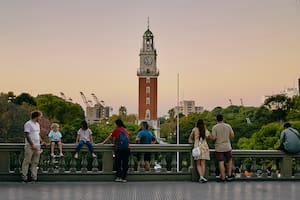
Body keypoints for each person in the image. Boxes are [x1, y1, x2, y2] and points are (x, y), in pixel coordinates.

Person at [21, 110, 44, 183]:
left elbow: (37, 134)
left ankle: (34, 178)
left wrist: (42, 141)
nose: (40, 118)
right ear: (36, 116)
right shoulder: (28, 124)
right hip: (30, 145)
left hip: (37, 145)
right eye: (40, 117)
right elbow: (27, 135)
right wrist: (32, 145)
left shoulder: (37, 124)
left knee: (35, 162)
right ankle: (24, 177)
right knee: (27, 161)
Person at [211, 114, 234, 182]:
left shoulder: (215, 127)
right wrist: (226, 138)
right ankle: (229, 175)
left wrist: (210, 137)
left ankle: (223, 177)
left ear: (216, 119)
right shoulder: (228, 126)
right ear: (223, 119)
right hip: (227, 146)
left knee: (221, 162)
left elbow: (214, 137)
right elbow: (232, 136)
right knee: (229, 160)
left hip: (219, 147)